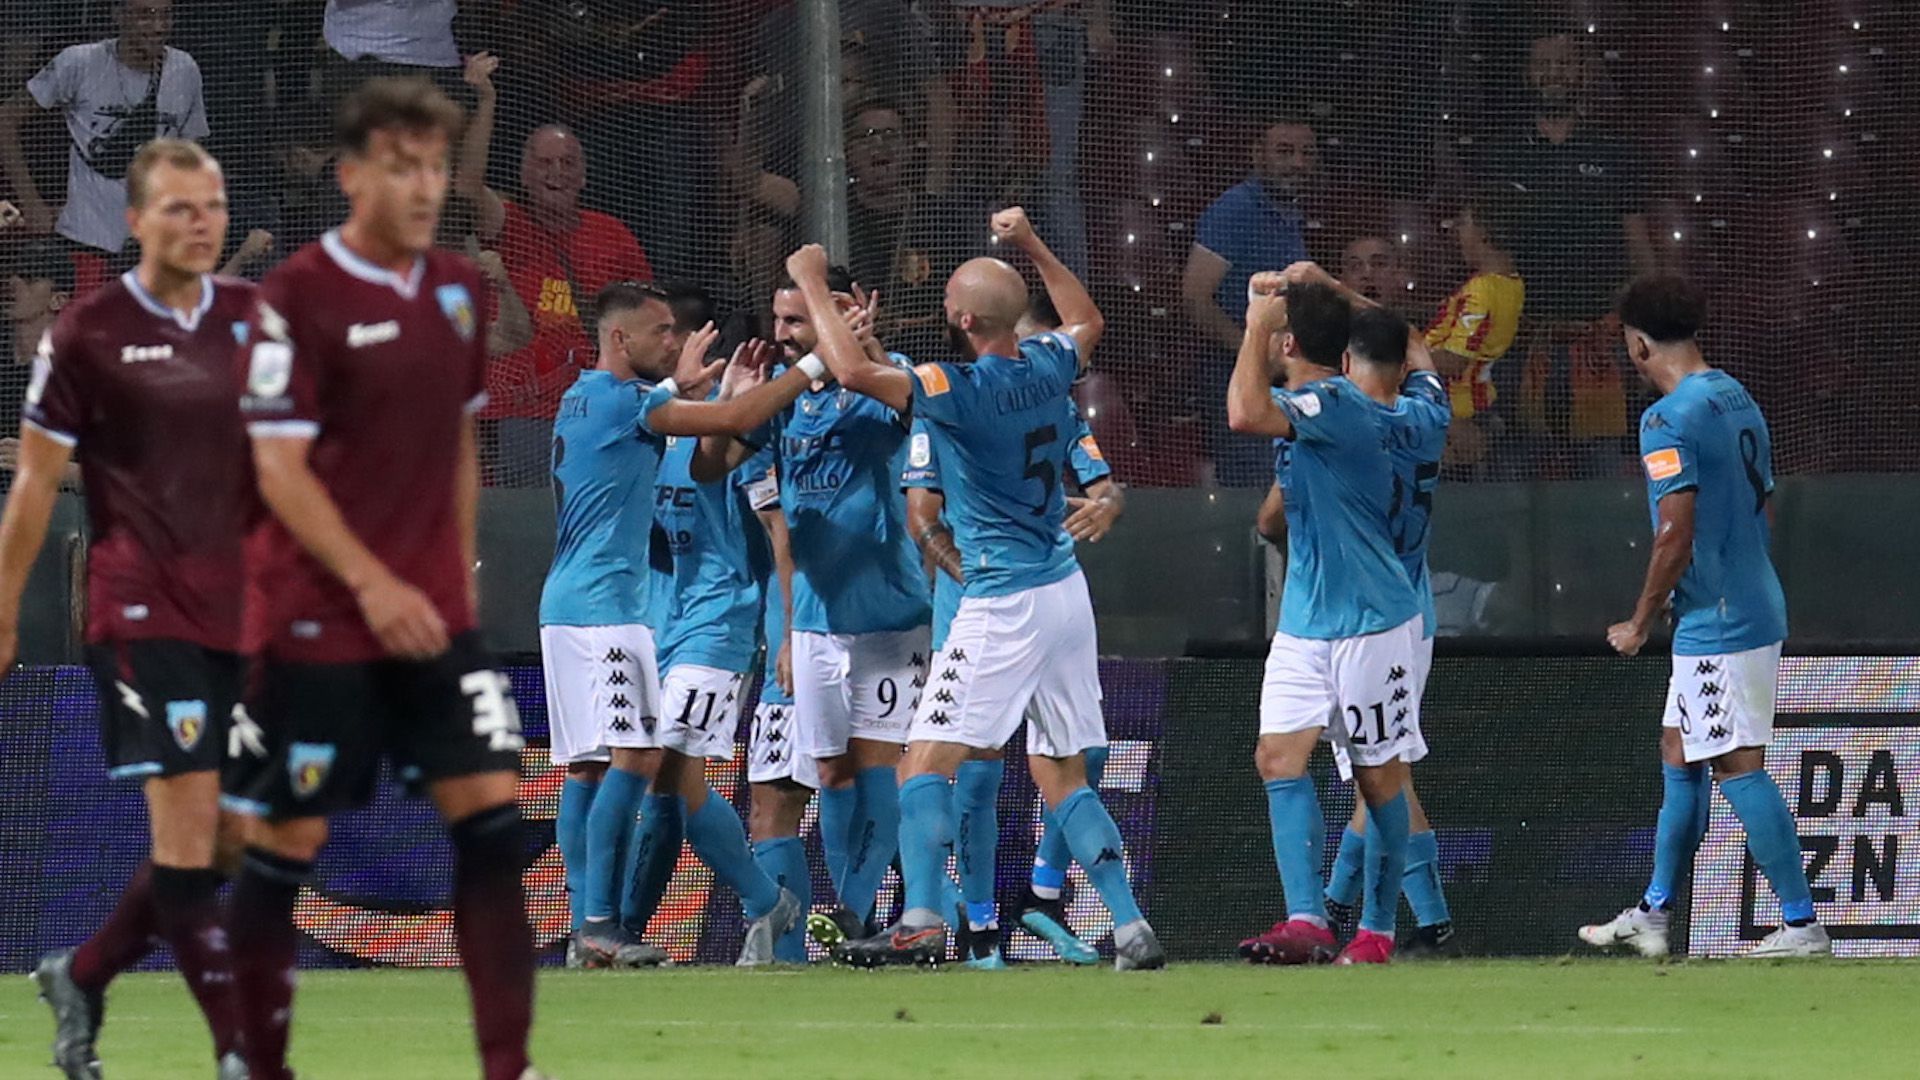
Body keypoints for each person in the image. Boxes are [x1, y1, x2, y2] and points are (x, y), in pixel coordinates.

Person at [221, 77, 545, 1080]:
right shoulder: (294, 301)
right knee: (288, 839)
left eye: (438, 167)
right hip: (319, 615)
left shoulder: (455, 288)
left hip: (431, 618)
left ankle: (507, 1066)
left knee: (493, 826)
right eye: (402, 167)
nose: (424, 186)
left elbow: (455, 436)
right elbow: (278, 467)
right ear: (353, 174)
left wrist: (450, 578)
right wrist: (374, 586)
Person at [798, 208, 1164, 971]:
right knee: (1060, 771)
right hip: (1065, 591)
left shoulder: (953, 388)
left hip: (1000, 598)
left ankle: (924, 917)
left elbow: (858, 375)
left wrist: (811, 285)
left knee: (923, 764)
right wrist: (1032, 240)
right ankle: (1129, 925)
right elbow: (1087, 318)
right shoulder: (1051, 367)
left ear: (960, 319)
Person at [4, 138, 252, 1080]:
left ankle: (86, 970)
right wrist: (1, 611)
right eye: (181, 208)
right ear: (136, 219)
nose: (201, 223)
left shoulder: (256, 322)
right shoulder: (88, 334)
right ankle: (239, 1048)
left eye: (214, 206)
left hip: (245, 617)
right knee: (188, 840)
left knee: (239, 839)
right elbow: (32, 487)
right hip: (143, 615)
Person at [541, 280, 823, 970]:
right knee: (641, 764)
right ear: (620, 339)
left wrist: (691, 390)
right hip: (612, 613)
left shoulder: (583, 395)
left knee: (597, 770)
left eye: (677, 333)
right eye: (660, 333)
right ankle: (608, 924)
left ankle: (593, 927)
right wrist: (815, 366)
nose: (672, 344)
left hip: (591, 612)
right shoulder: (638, 406)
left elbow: (729, 465)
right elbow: (743, 414)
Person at [1580, 274, 1828, 959]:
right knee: (1679, 749)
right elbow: (1763, 505)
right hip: (1741, 600)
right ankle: (1655, 913)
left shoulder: (1667, 417)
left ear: (1637, 344)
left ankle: (1803, 924)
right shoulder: (1735, 394)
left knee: (1735, 762)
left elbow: (1673, 533)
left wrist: (1639, 620)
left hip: (1719, 618)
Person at [696, 266, 931, 947]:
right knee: (829, 769)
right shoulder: (787, 398)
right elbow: (712, 464)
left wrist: (869, 348)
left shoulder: (884, 379)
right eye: (780, 320)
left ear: (844, 314)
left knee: (877, 762)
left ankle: (853, 911)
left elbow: (910, 407)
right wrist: (731, 402)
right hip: (816, 620)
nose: (783, 333)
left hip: (889, 614)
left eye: (797, 320)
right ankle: (846, 911)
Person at [902, 298, 1123, 970]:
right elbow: (923, 516)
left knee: (1084, 755)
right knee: (974, 770)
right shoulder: (946, 409)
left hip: (1037, 596)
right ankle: (975, 928)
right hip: (982, 606)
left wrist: (1108, 504)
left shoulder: (1051, 406)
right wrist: (969, 578)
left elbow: (1103, 483)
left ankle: (1042, 896)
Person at [1227, 279, 1428, 967]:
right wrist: (1330, 291)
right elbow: (1419, 361)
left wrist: (1254, 322)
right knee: (1276, 757)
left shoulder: (1326, 403)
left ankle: (1375, 930)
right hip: (1308, 620)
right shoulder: (1402, 404)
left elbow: (1243, 413)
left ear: (1287, 342)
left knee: (1378, 777)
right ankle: (1308, 921)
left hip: (1372, 621)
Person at [1289, 263, 1458, 957]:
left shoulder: (1349, 426)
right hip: (1411, 602)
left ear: (1350, 361)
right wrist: (1342, 292)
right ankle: (1342, 901)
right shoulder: (1428, 410)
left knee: (1382, 772)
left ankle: (1424, 918)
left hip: (1367, 608)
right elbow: (1412, 344)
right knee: (1379, 770)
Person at [457, 52, 654, 483]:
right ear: (524, 174)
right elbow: (467, 185)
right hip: (520, 409)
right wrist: (487, 101)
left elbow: (648, 321)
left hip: (597, 409)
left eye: (568, 163)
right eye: (544, 163)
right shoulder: (510, 225)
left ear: (584, 176)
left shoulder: (612, 234)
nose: (557, 173)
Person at [0, 0, 209, 259]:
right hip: (85, 241)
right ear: (118, 15)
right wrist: (31, 203)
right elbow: (5, 120)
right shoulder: (80, 62)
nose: (158, 26)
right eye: (146, 15)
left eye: (166, 16)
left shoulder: (185, 69)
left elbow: (191, 153)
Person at [1181, 119, 1319, 487]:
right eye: (1285, 152)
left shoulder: (1290, 214)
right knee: (1254, 490)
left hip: (1279, 377)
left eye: (1307, 154)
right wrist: (1255, 354)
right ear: (1258, 155)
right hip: (1238, 378)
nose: (1298, 163)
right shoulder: (1236, 210)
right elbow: (1196, 298)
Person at [1423, 196, 1525, 473]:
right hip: (1474, 405)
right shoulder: (1513, 284)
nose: (1457, 232)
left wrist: (1398, 358)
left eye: (1464, 223)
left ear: (1483, 230)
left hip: (1457, 412)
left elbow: (1455, 360)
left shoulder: (1483, 289)